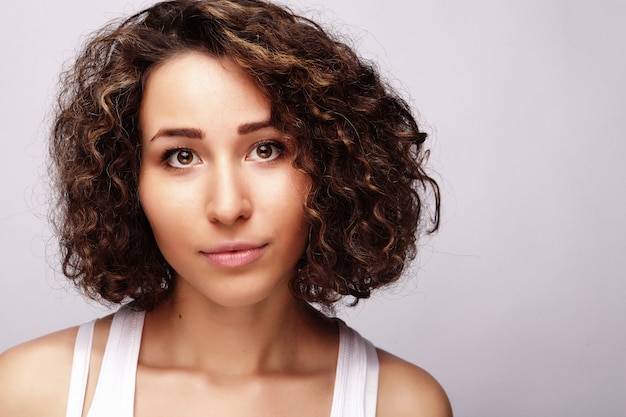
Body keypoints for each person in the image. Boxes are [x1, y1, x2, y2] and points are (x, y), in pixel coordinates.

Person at [0, 0, 450, 416]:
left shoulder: (403, 404)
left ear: (334, 165)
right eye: (181, 156)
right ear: (125, 180)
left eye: (267, 149)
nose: (228, 206)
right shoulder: (32, 392)